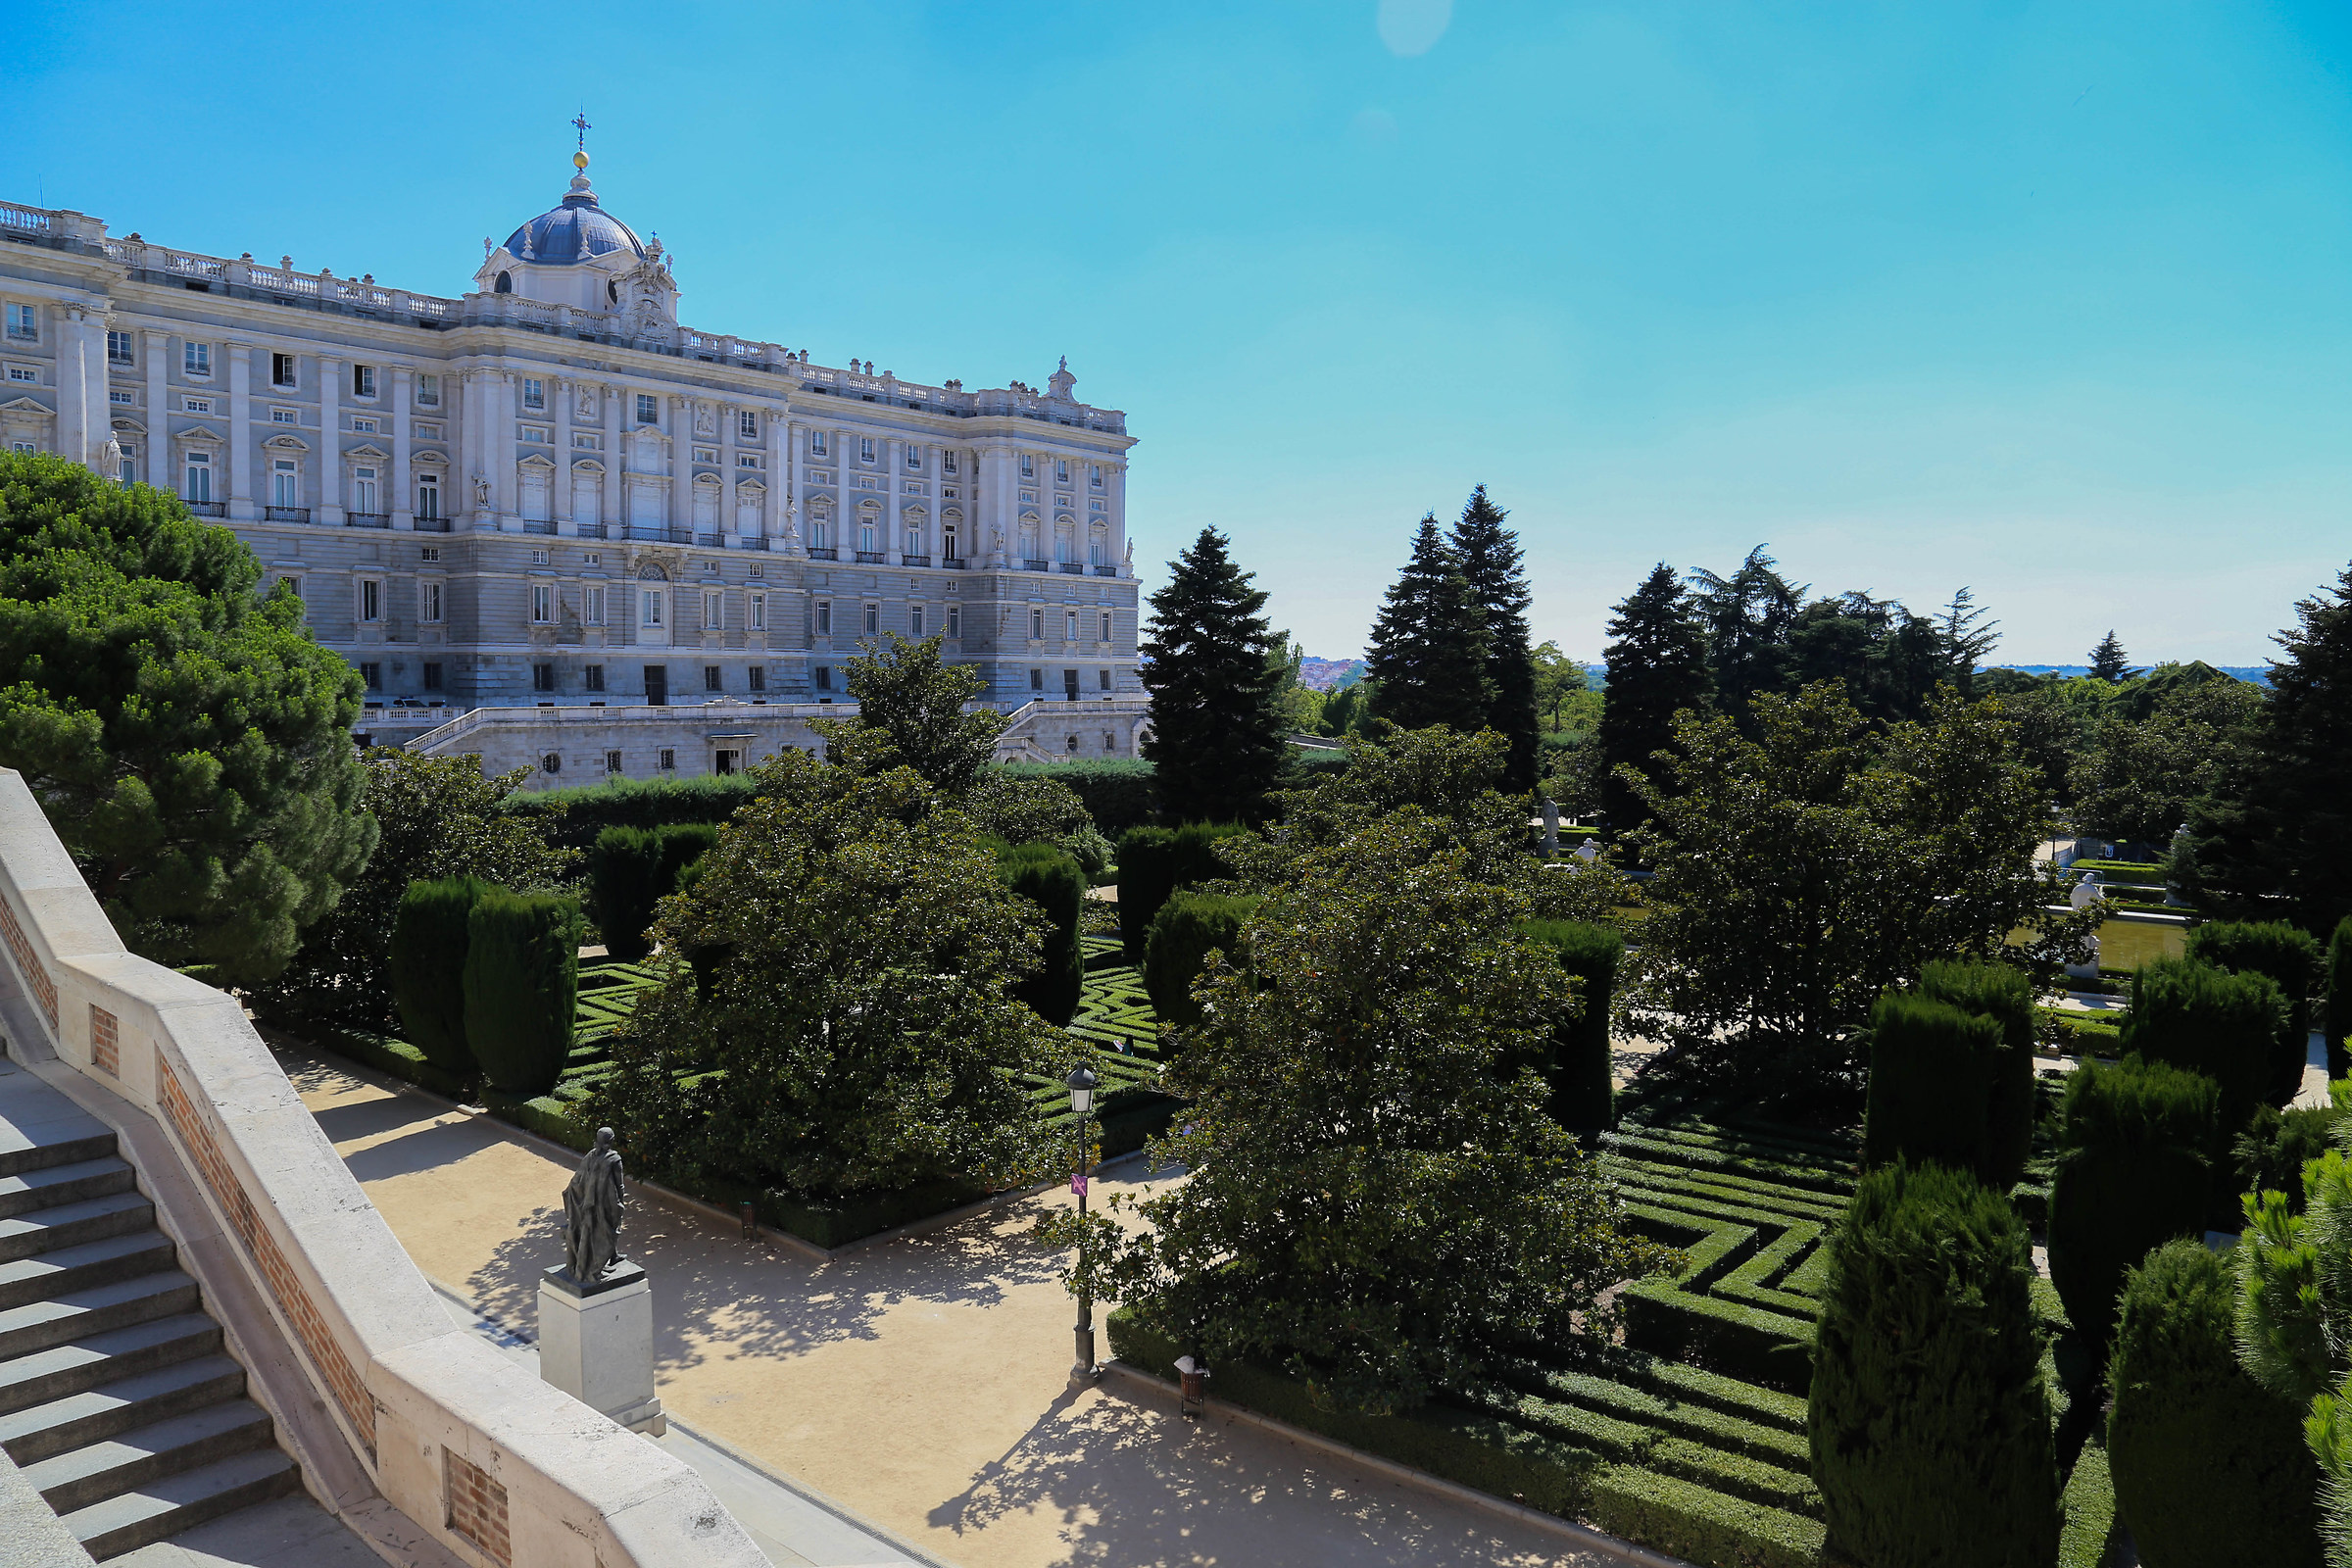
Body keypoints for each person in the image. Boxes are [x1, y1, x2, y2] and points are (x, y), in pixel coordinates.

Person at [563, 1127, 628, 1285]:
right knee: (610, 1232)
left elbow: (577, 1180)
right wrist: (621, 1202)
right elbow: (619, 1185)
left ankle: (612, 1256)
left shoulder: (590, 1156)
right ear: (611, 1141)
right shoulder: (614, 1159)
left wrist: (579, 1198)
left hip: (588, 1204)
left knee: (597, 1232)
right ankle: (594, 1271)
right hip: (605, 1204)